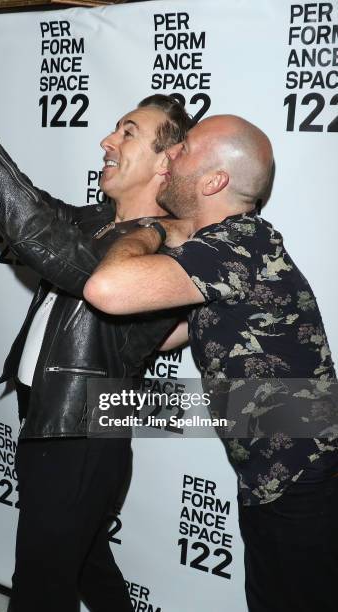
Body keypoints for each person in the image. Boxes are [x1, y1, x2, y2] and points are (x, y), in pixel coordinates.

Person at [0, 26, 192, 612]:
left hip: (79, 437)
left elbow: (43, 240)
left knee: (41, 588)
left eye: (127, 132)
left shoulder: (164, 250)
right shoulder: (104, 224)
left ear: (168, 160)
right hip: (53, 421)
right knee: (88, 564)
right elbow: (33, 206)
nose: (106, 140)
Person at [84, 114, 338, 612]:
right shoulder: (229, 251)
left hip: (300, 477)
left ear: (215, 180)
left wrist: (151, 230)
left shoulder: (236, 244)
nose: (172, 155)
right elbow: (165, 338)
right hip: (280, 475)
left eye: (186, 150)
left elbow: (107, 288)